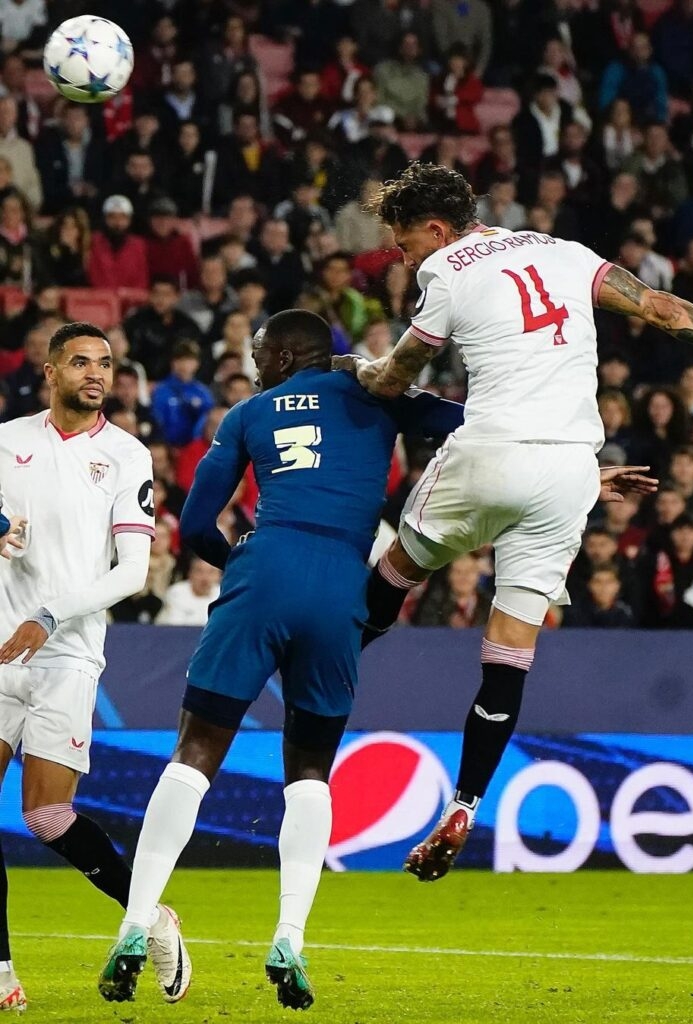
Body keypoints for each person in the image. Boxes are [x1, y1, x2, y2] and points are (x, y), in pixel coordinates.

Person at [336, 161, 693, 882]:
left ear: (435, 228)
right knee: (510, 651)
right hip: (572, 470)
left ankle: (325, 674)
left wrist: (358, 369)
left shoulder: (445, 268)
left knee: (396, 573)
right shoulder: (562, 251)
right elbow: (662, 309)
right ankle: (466, 802)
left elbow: (396, 378)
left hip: (489, 454)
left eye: (403, 242)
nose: (403, 257)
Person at [96, 309, 465, 1008]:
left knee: (195, 751)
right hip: (340, 583)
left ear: (289, 355)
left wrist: (240, 564)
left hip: (264, 567)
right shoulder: (378, 395)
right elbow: (459, 425)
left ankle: (135, 922)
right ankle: (290, 935)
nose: (253, 359)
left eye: (259, 350)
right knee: (310, 772)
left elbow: (199, 523)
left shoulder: (247, 413)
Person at [0, 321, 191, 1010]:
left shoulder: (126, 454)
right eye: (80, 361)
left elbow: (134, 571)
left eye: (105, 363)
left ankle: (152, 917)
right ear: (49, 371)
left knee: (48, 815)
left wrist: (49, 615)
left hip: (68, 653)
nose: (95, 373)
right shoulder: (8, 441)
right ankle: (2, 975)